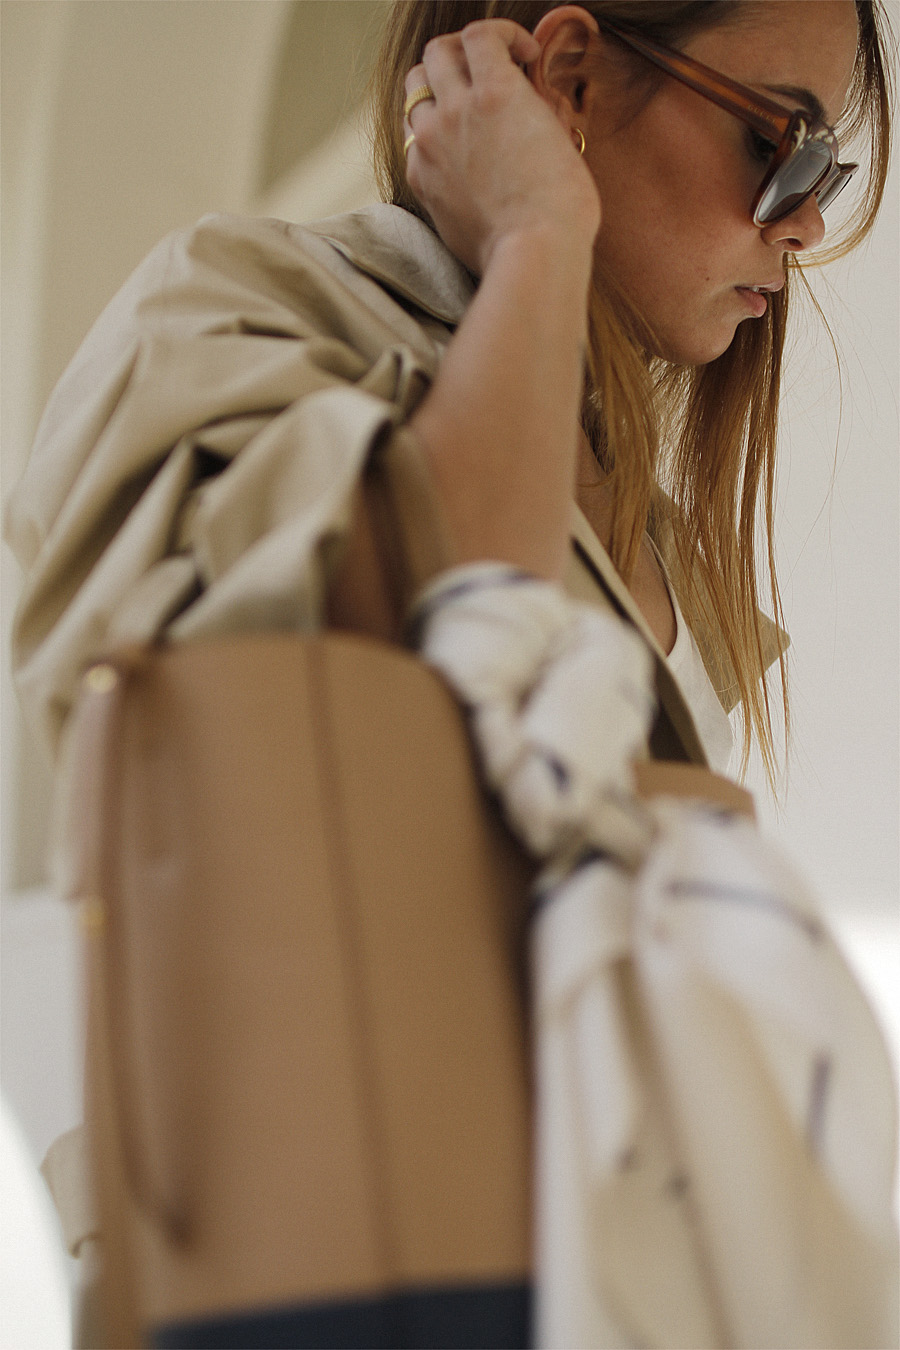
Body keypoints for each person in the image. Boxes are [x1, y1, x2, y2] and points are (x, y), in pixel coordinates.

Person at [3, 2, 895, 1347]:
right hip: (342, 1273)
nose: (807, 219)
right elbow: (380, 694)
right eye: (786, 143)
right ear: (571, 78)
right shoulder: (240, 312)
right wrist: (538, 236)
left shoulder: (649, 533)